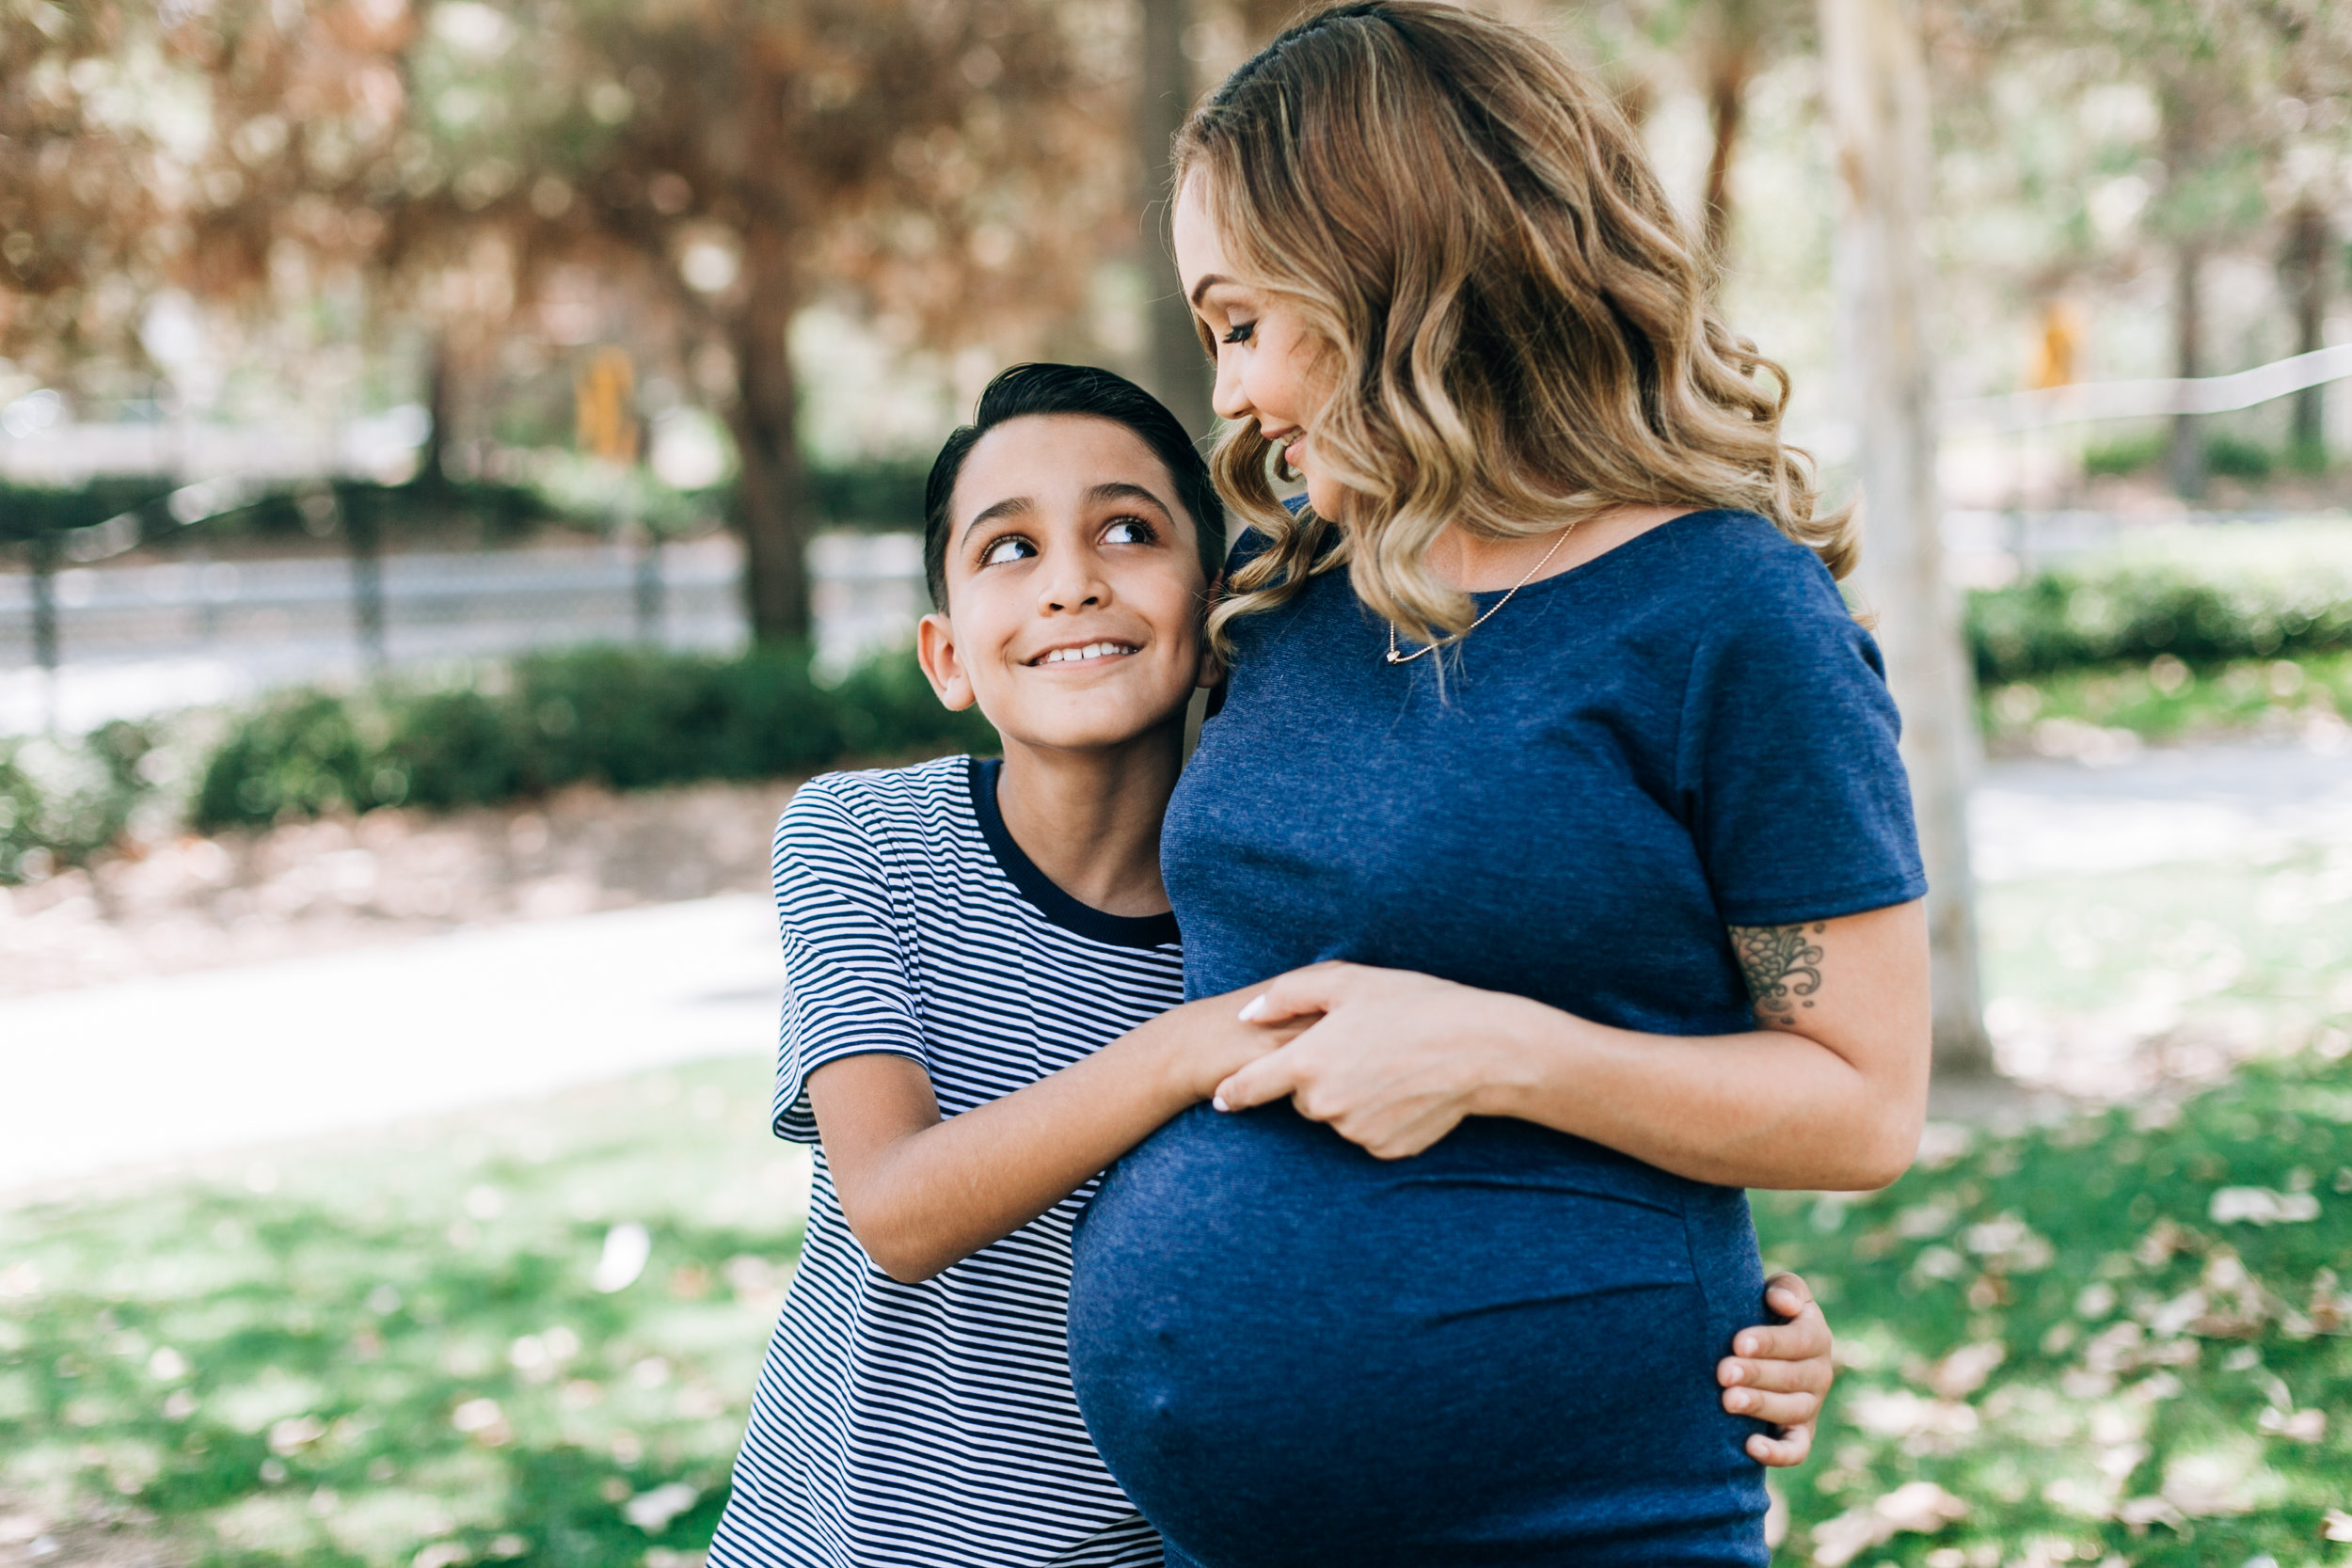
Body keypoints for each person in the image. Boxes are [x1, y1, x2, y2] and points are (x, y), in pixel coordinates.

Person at [705, 363, 1837, 1568]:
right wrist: (1189, 1046)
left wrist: (1707, 1318)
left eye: (1126, 531)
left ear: (1211, 623)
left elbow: (1476, 1126)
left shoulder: (1270, 915)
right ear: (944, 654)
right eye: (1008, 550)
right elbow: (894, 1206)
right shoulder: (859, 839)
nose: (1071, 581)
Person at [1063, 8, 1932, 1568]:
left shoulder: (1728, 614)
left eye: (1245, 321)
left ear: (1391, 279)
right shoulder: (1287, 588)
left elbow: (1864, 1099)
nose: (1238, 393)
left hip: (1582, 1521)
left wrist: (1500, 1054)